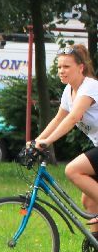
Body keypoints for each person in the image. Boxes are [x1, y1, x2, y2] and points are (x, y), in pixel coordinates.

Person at [34, 44, 98, 234]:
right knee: (89, 200)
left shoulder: (90, 87)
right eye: (60, 67)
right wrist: (37, 140)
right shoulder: (69, 91)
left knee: (73, 170)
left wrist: (48, 141)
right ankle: (95, 243)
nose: (62, 71)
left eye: (67, 67)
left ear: (81, 67)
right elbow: (59, 118)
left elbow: (72, 118)